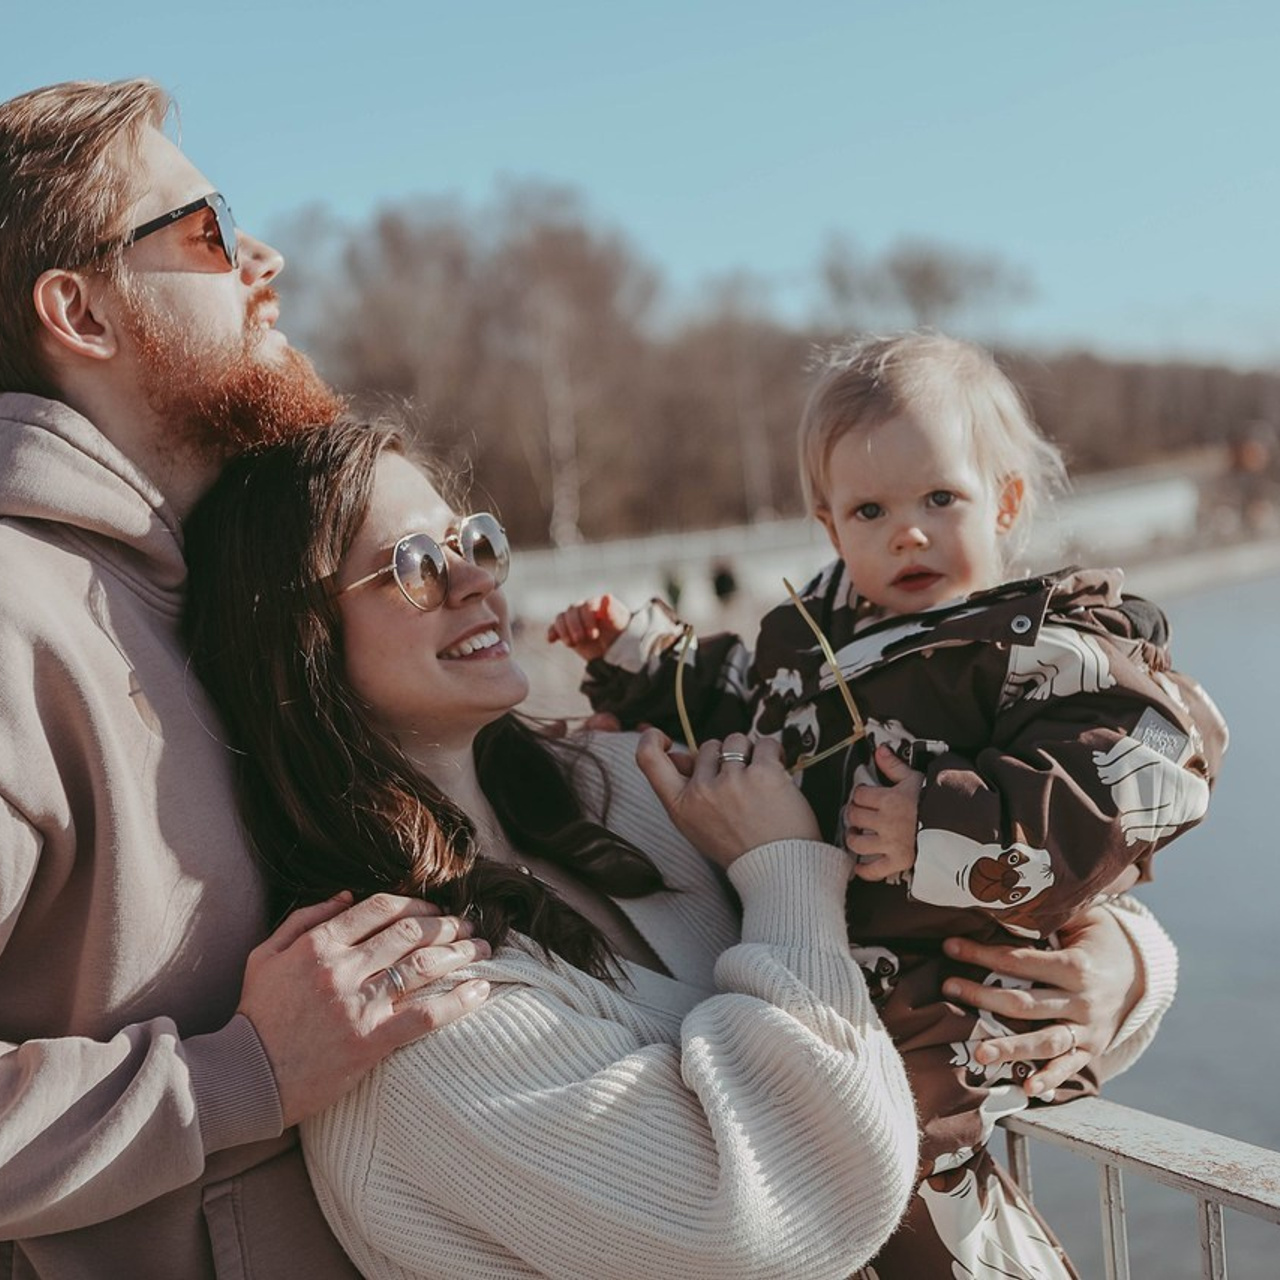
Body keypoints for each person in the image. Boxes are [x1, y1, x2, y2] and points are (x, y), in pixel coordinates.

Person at [181, 420, 1181, 1280]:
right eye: (412, 565)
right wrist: (783, 869)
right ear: (299, 641)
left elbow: (923, 908)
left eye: (471, 540)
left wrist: (1120, 968)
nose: (475, 579)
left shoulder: (624, 785)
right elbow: (792, 1213)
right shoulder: (394, 1001)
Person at [549, 332, 1227, 1277]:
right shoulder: (807, 647)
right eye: (871, 510)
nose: (908, 532)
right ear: (832, 531)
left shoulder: (1034, 646)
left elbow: (1141, 767)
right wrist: (637, 657)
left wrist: (942, 825)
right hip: (836, 986)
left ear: (1005, 503)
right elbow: (725, 702)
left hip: (956, 991)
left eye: (939, 498)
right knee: (825, 1162)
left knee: (896, 1160)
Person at [0, 79, 491, 1277]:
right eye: (207, 229)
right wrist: (239, 1074)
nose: (264, 259)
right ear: (81, 312)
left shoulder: (209, 580)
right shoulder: (15, 621)